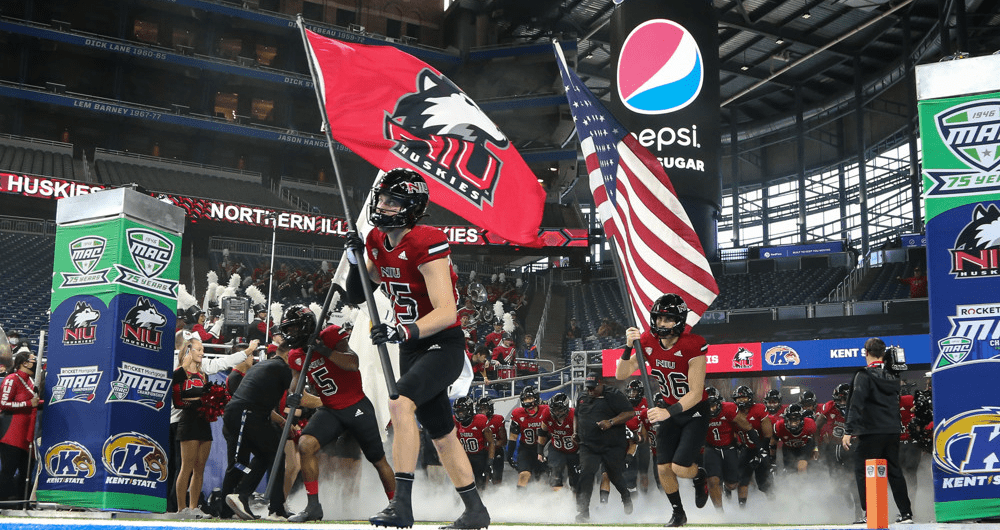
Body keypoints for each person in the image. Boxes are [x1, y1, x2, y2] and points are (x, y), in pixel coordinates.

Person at [346, 168, 490, 529]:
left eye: (392, 201)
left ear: (411, 207)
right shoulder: (378, 239)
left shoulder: (427, 240)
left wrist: (401, 332)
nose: (382, 205)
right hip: (411, 346)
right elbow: (357, 292)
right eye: (381, 198)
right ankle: (476, 511)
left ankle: (402, 506)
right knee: (442, 434)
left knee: (399, 403)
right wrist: (353, 261)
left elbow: (446, 311)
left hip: (441, 343)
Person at [287, 320, 396, 522]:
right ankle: (313, 507)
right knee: (305, 444)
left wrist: (322, 349)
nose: (290, 334)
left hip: (356, 405)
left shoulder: (330, 336)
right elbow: (296, 384)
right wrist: (294, 395)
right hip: (330, 409)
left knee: (378, 460)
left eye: (294, 328)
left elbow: (353, 363)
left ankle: (397, 505)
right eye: (288, 330)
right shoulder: (296, 356)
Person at [618, 293, 709, 527]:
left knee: (679, 467)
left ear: (679, 320)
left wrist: (668, 413)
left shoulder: (693, 344)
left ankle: (699, 476)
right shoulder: (647, 341)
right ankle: (679, 513)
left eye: (668, 319)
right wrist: (628, 347)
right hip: (668, 408)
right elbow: (621, 374)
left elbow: (696, 393)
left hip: (694, 411)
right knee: (663, 469)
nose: (661, 323)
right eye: (659, 318)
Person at [222, 307, 320, 521]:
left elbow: (262, 404)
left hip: (241, 414)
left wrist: (284, 421)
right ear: (287, 354)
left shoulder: (264, 365)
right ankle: (244, 495)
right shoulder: (283, 369)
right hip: (247, 414)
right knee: (271, 454)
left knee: (248, 461)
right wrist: (326, 402)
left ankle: (239, 507)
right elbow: (301, 397)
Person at [172, 336, 255, 517]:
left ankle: (194, 508)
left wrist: (212, 403)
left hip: (204, 422)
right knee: (186, 467)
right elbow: (178, 402)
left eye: (203, 349)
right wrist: (200, 402)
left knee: (199, 468)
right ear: (189, 351)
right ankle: (181, 509)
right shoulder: (179, 372)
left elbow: (223, 362)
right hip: (188, 422)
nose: (202, 353)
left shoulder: (204, 373)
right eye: (199, 349)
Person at [841, 338, 913, 524]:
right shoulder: (893, 375)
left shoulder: (863, 375)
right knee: (894, 471)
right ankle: (906, 514)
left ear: (866, 352)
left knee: (862, 469)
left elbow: (856, 403)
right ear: (883, 353)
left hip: (871, 430)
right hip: (892, 430)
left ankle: (870, 513)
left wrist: (848, 430)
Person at [574, 369, 634, 522]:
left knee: (614, 475)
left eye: (593, 387)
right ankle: (583, 512)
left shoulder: (614, 394)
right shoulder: (582, 396)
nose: (590, 390)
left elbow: (630, 413)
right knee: (586, 475)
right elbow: (576, 414)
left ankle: (625, 495)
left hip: (612, 444)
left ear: (600, 383)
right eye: (588, 387)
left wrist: (611, 422)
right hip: (588, 445)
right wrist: (576, 432)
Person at [0, 348, 39, 503]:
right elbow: (3, 403)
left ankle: (21, 504)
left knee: (27, 471)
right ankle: (2, 503)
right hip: (12, 433)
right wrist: (28, 403)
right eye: (32, 359)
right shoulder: (11, 379)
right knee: (8, 470)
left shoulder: (30, 381)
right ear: (24, 363)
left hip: (27, 434)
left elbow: (34, 404)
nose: (35, 361)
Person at [731, 385, 773, 506]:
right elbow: (730, 432)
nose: (742, 401)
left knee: (763, 484)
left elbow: (768, 434)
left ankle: (775, 502)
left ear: (750, 398)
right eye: (739, 399)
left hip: (761, 447)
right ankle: (742, 508)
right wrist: (737, 446)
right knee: (742, 479)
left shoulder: (759, 409)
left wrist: (762, 452)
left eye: (744, 398)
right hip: (746, 449)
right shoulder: (733, 413)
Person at [506, 386, 549, 489]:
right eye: (525, 399)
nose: (528, 403)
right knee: (524, 475)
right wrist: (509, 455)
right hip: (527, 449)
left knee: (544, 478)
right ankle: (520, 501)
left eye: (530, 399)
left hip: (544, 448)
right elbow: (513, 437)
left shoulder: (546, 410)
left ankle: (543, 501)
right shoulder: (518, 413)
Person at [536, 392, 578, 492]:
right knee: (556, 477)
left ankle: (576, 505)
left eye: (559, 409)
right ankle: (558, 504)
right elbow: (542, 432)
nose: (557, 412)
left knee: (576, 483)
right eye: (554, 409)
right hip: (557, 449)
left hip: (575, 451)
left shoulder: (575, 416)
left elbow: (585, 437)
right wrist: (540, 451)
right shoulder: (547, 414)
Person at [453, 396, 496, 489]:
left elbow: (491, 442)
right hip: (463, 456)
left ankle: (482, 502)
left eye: (462, 411)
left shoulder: (480, 420)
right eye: (458, 412)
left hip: (479, 456)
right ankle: (456, 503)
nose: (460, 414)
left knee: (480, 483)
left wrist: (490, 461)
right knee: (460, 483)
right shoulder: (454, 421)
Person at [771, 403, 817, 473]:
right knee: (789, 472)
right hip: (788, 448)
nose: (793, 423)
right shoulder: (779, 426)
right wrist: (772, 461)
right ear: (786, 419)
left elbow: (814, 436)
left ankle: (805, 483)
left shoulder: (809, 424)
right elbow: (773, 443)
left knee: (802, 466)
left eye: (796, 420)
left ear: (802, 419)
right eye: (791, 420)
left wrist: (816, 449)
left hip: (804, 446)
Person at [477, 397, 507, 486]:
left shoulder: (497, 419)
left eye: (484, 408)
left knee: (496, 477)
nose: (482, 411)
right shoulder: (475, 420)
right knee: (482, 477)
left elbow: (504, 441)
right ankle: (483, 494)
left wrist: (492, 444)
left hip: (496, 450)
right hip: (482, 452)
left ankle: (497, 495)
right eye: (480, 408)